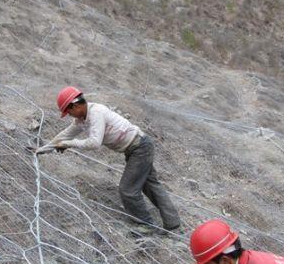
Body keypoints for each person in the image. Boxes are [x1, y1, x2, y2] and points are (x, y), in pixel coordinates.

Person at [36, 86, 180, 234]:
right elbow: (65, 135)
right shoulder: (81, 119)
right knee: (150, 185)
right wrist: (42, 150)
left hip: (140, 148)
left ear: (77, 105)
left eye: (69, 111)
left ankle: (146, 225)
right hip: (136, 148)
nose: (70, 116)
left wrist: (69, 144)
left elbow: (94, 143)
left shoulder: (96, 112)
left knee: (128, 189)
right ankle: (172, 223)